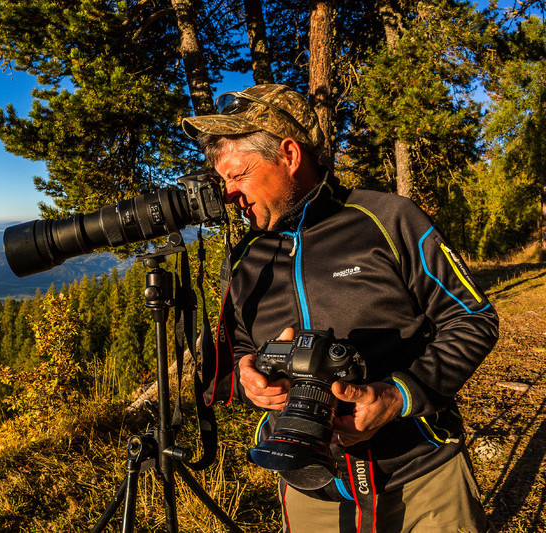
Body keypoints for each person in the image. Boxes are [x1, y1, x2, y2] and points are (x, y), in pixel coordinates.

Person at [183, 84, 497, 532]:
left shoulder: (388, 218)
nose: (229, 194)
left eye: (239, 175)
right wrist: (248, 375)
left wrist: (397, 395)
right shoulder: (245, 256)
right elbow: (235, 347)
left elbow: (472, 317)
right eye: (223, 180)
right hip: (309, 489)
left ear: (289, 156)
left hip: (421, 476)